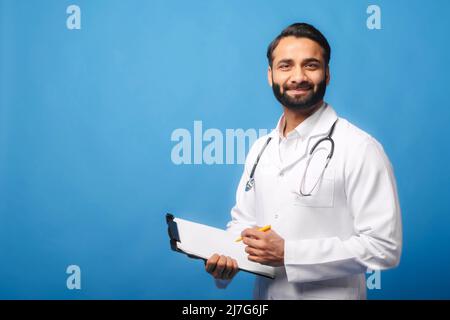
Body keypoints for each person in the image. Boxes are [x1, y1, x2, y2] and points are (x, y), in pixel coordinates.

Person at [205, 22, 402, 300]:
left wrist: (289, 254)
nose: (298, 76)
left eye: (310, 65)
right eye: (286, 66)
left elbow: (384, 247)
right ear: (270, 75)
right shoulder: (262, 148)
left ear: (328, 74)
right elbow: (244, 223)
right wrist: (225, 260)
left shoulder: (360, 148)